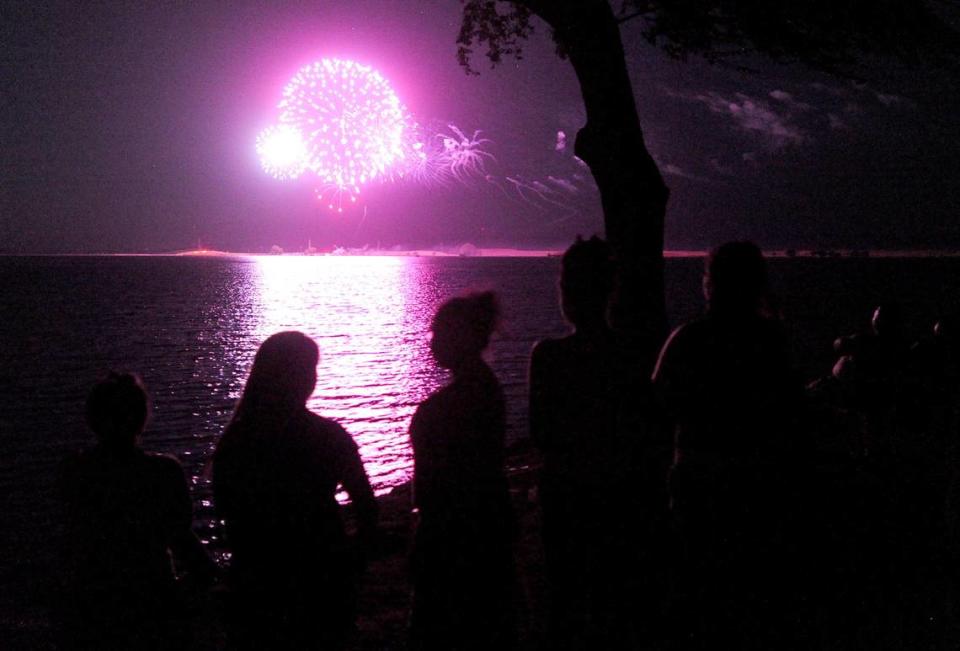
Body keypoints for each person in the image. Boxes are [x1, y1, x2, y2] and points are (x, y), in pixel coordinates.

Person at [652, 241, 805, 649]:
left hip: (698, 486)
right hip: (755, 487)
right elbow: (790, 409)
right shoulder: (771, 342)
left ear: (709, 285)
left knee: (699, 591)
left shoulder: (688, 339)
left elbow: (656, 405)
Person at [529, 236, 660, 649]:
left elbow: (540, 433)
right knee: (612, 605)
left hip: (565, 496)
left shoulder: (547, 356)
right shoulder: (633, 354)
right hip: (619, 497)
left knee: (564, 606)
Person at [213, 331, 378, 651]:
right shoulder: (329, 435)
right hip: (322, 575)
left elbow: (227, 512)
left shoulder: (236, 441)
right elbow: (367, 509)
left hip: (257, 582)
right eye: (309, 368)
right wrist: (353, 560)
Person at [58, 372, 217, 650]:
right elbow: (181, 539)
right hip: (155, 600)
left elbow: (71, 541)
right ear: (142, 417)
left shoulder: (73, 471)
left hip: (91, 605)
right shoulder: (163, 472)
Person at [409, 292, 517, 651]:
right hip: (488, 521)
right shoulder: (488, 391)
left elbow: (429, 484)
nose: (431, 341)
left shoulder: (446, 405)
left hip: (452, 530)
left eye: (438, 333)